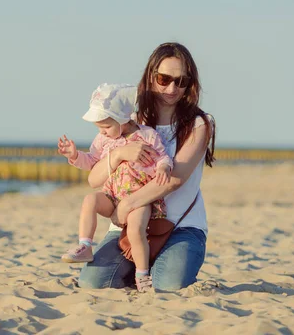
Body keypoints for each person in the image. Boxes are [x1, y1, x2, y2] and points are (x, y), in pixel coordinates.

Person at [77, 42, 216, 291]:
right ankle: (140, 267)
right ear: (151, 76)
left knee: (168, 286)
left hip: (181, 226)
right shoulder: (128, 120)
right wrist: (119, 153)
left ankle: (157, 266)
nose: (172, 87)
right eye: (164, 78)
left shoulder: (198, 124)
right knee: (92, 283)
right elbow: (94, 178)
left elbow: (174, 179)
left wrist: (127, 205)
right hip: (130, 226)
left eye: (181, 81)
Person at [57, 83, 173, 292]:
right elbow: (92, 163)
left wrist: (164, 167)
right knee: (89, 200)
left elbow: (163, 156)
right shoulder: (104, 140)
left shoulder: (147, 136)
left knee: (137, 230)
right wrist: (75, 156)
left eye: (107, 127)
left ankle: (142, 274)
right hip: (112, 196)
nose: (102, 132)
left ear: (123, 119)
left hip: (139, 200)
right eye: (99, 128)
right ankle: (85, 244)